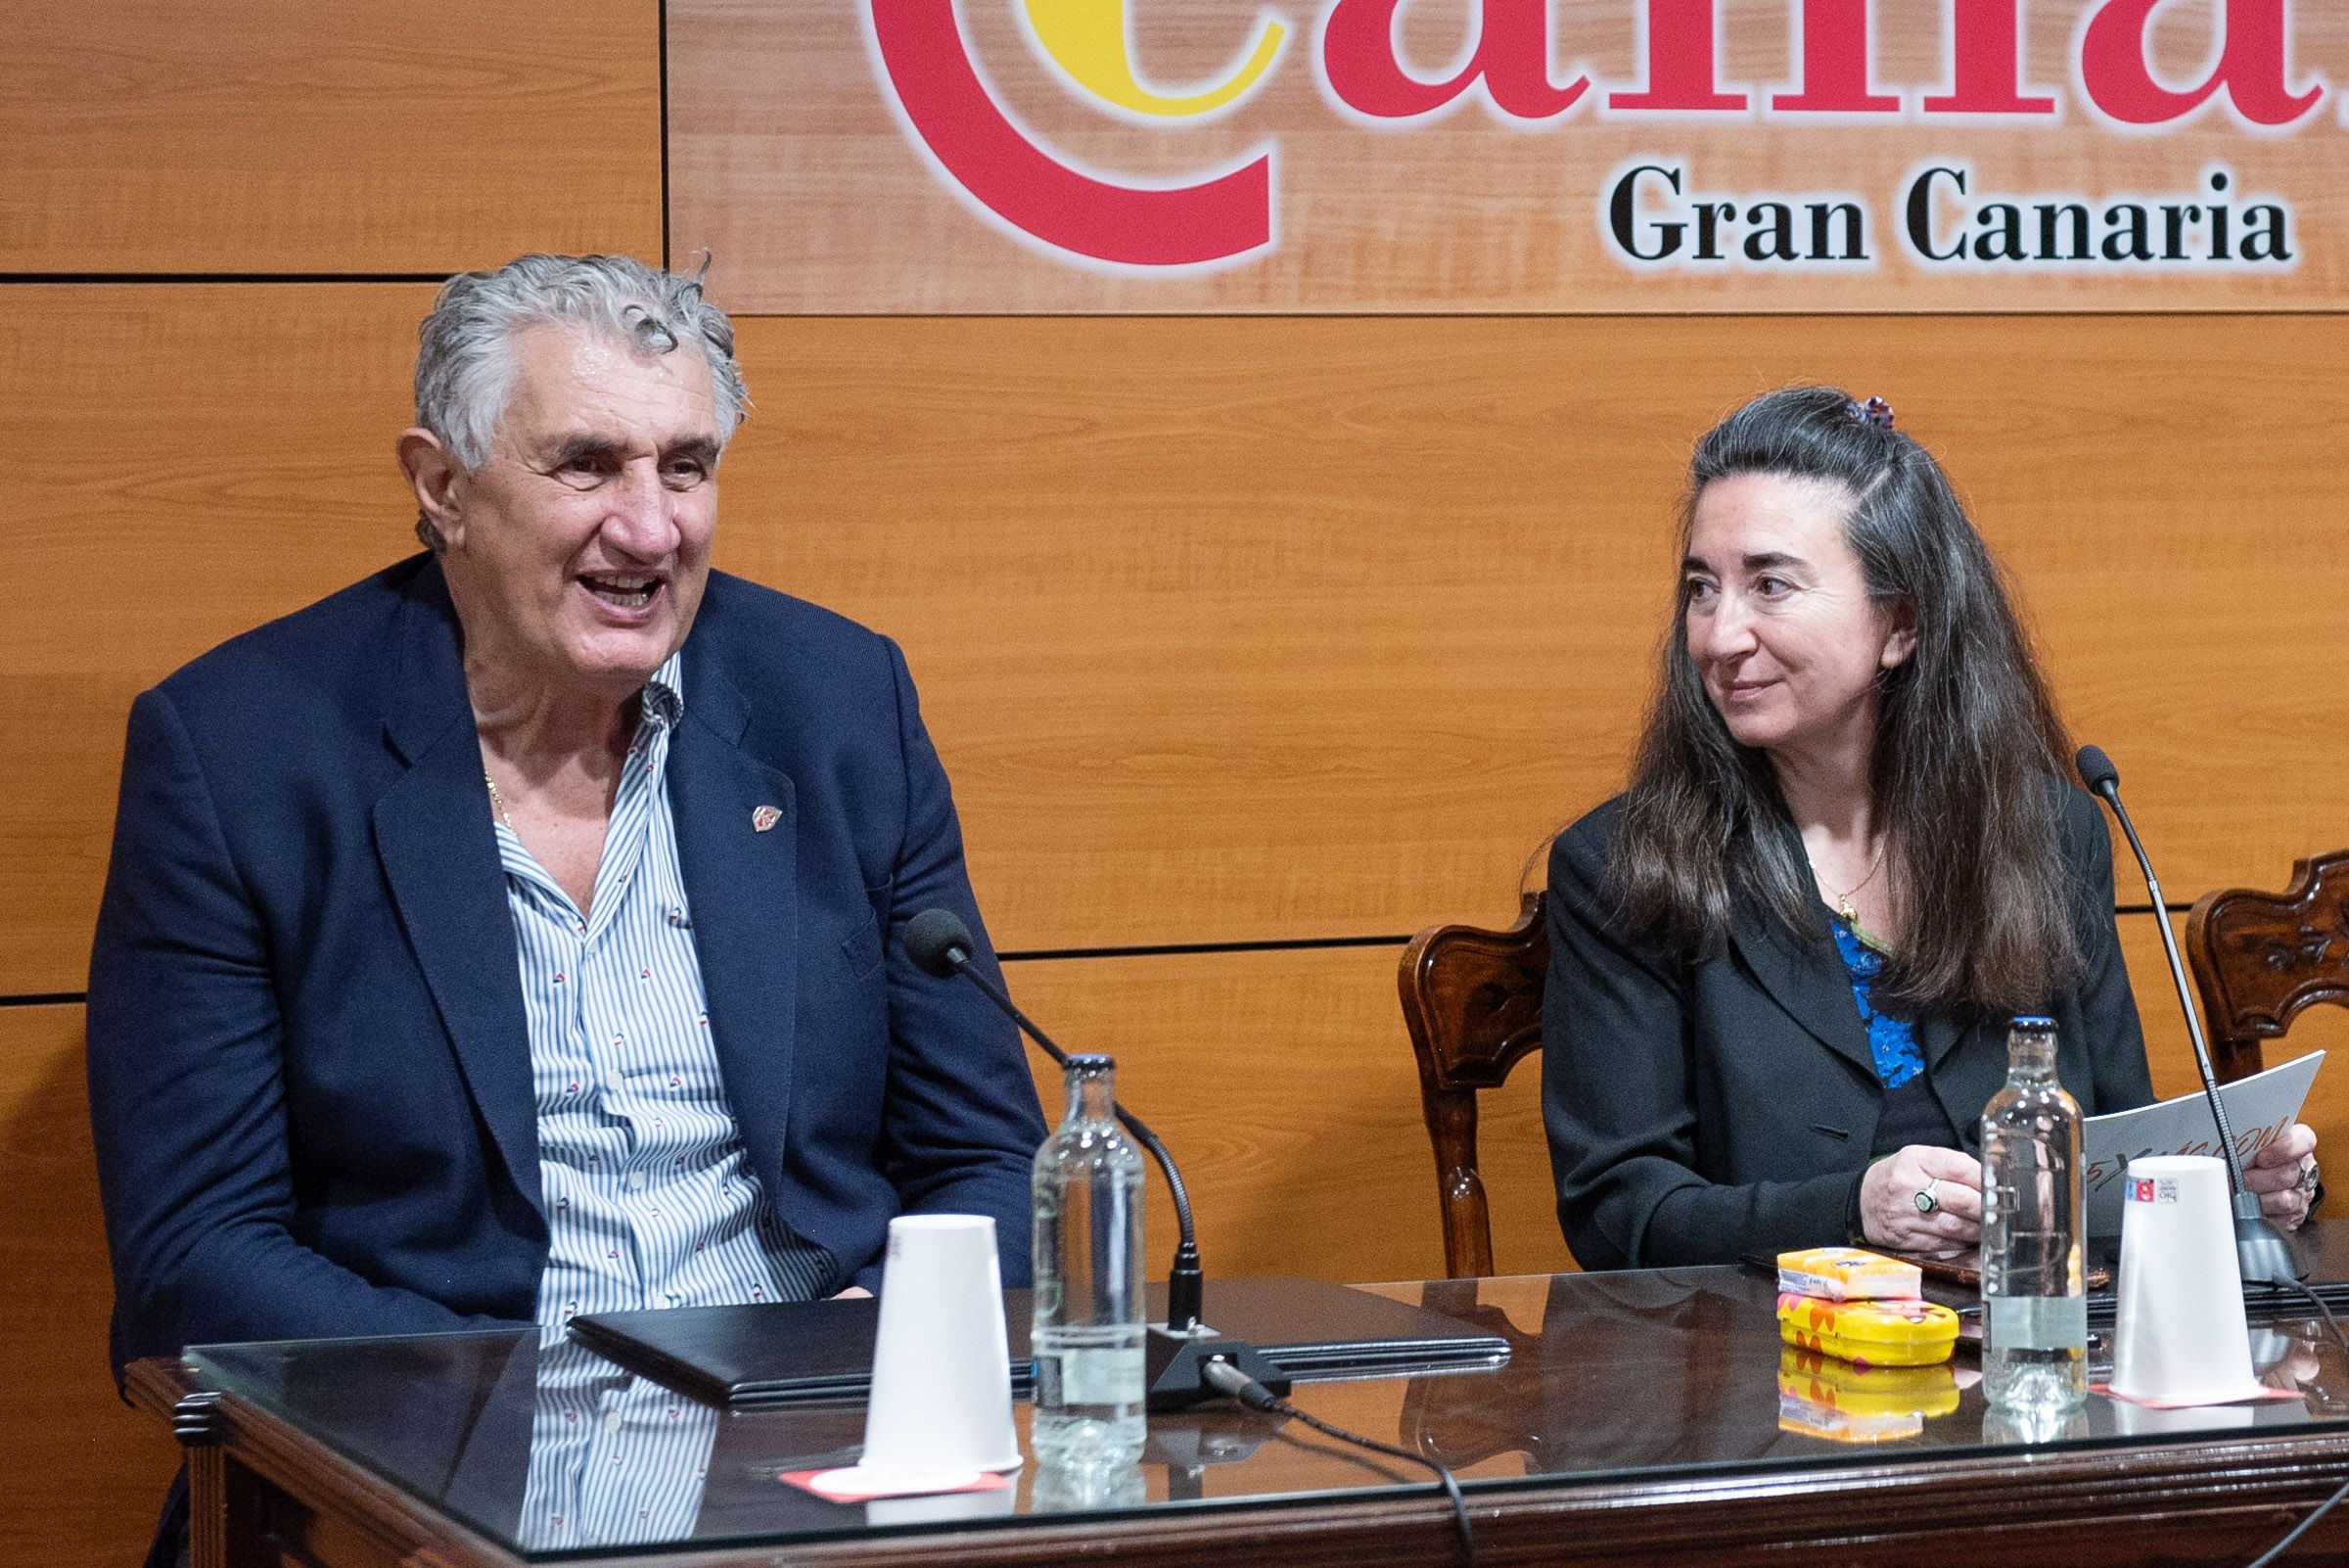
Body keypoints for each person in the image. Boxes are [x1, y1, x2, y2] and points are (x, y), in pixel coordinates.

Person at [87, 254, 1047, 1376]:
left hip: (813, 1419)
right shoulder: (243, 752)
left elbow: (992, 1163)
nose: (649, 531)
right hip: (447, 1448)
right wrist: (536, 1405)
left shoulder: (837, 704)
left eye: (685, 468)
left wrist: (858, 1340)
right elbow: (194, 1257)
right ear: (443, 488)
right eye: (587, 467)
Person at [1542, 387, 2317, 1270]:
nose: (1721, 635)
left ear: (1900, 626)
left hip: (2033, 1361)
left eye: (1770, 585)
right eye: (1701, 589)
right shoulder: (1625, 865)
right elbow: (1618, 1216)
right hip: (1768, 1369)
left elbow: (2107, 1154)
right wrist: (1850, 1208)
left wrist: (2215, 1185)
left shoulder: (2050, 834)